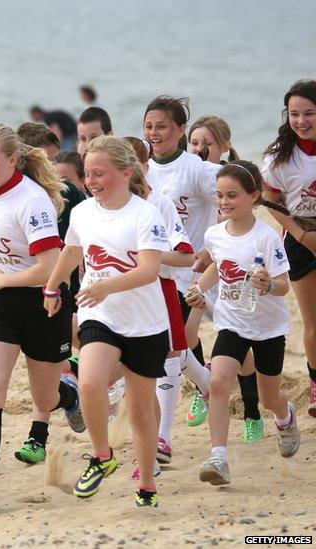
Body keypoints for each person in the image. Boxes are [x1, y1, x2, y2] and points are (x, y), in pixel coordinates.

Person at [0, 123, 82, 517]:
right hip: (0, 306)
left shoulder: (33, 202)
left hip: (43, 307)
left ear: (12, 159)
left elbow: (50, 268)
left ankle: (68, 394)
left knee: (44, 398)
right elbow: (0, 242)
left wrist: (4, 276)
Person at [44, 136, 170, 508]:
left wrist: (106, 286)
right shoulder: (83, 212)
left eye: (100, 173)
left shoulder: (145, 214)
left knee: (142, 409)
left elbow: (150, 270)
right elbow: (72, 251)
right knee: (90, 381)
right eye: (88, 174)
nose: (92, 181)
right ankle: (102, 456)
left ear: (126, 173)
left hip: (145, 323)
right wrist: (52, 287)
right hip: (101, 316)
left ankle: (146, 484)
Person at [188, 160, 301, 485]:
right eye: (220, 196)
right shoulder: (214, 234)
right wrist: (199, 288)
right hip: (232, 323)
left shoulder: (266, 238)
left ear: (254, 196)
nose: (223, 202)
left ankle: (285, 416)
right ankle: (219, 457)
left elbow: (283, 285)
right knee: (219, 382)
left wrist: (266, 284)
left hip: (268, 328)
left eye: (232, 196)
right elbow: (217, 266)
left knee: (269, 398)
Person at [1, 123, 86, 469]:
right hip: (18, 297)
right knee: (43, 372)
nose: (49, 171)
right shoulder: (10, 196)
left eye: (52, 162)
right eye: (44, 162)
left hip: (64, 293)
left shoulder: (68, 194)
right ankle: (65, 395)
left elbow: (81, 247)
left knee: (64, 360)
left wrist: (75, 292)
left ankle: (43, 428)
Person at [143, 96, 217, 445]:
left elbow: (236, 200)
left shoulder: (196, 169)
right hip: (153, 274)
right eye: (149, 126)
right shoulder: (139, 167)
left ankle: (163, 436)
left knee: (173, 347)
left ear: (180, 129)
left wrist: (210, 250)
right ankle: (206, 383)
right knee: (172, 346)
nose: (154, 133)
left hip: (191, 273)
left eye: (161, 126)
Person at [261, 79, 316, 418]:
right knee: (312, 322)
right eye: (294, 114)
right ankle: (315, 386)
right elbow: (271, 201)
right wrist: (301, 235)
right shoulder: (279, 157)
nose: (301, 121)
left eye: (309, 113)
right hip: (299, 238)